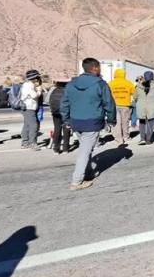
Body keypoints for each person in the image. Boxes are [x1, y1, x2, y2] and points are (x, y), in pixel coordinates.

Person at [60, 58, 116, 191]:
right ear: (95, 68)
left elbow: (64, 104)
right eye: (99, 67)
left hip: (75, 122)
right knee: (84, 152)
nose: (100, 69)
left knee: (86, 148)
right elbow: (109, 103)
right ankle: (77, 181)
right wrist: (111, 120)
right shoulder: (100, 84)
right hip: (92, 122)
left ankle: (88, 171)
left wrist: (66, 120)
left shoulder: (71, 84)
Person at [134, 70, 154, 145]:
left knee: (142, 123)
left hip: (141, 107)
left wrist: (139, 101)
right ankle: (148, 139)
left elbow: (135, 97)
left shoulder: (138, 86)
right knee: (150, 123)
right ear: (152, 77)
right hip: (152, 107)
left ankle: (142, 138)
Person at [108, 68, 134, 145]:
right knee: (125, 122)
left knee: (116, 122)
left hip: (114, 105)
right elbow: (133, 93)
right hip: (125, 105)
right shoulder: (128, 83)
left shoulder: (110, 83)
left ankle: (118, 139)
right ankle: (126, 137)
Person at [20, 70, 43, 150]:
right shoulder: (29, 85)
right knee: (34, 125)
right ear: (34, 77)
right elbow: (34, 96)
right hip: (29, 107)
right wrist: (39, 90)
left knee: (26, 125)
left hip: (26, 107)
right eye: (37, 77)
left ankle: (25, 142)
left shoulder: (26, 84)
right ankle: (32, 143)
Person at [48, 77, 71, 154]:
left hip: (55, 112)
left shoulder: (53, 90)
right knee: (66, 129)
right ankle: (65, 148)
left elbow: (47, 100)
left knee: (57, 129)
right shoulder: (68, 91)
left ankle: (56, 149)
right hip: (66, 113)